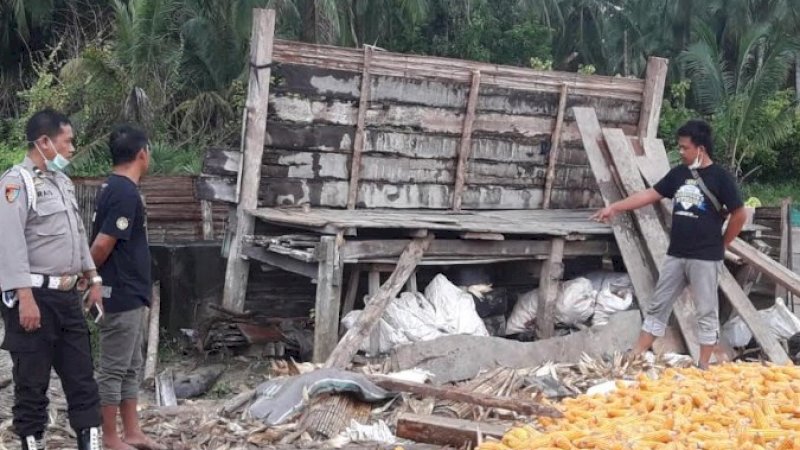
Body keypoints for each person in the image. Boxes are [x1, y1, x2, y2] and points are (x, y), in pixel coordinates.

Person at [591, 119, 747, 369]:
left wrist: (723, 244)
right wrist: (615, 207)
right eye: (680, 147)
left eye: (685, 147)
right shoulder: (678, 174)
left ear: (701, 149)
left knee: (706, 310)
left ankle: (703, 365)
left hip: (706, 257)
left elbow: (739, 214)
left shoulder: (721, 178)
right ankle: (635, 354)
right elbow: (649, 195)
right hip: (677, 254)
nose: (681, 152)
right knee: (658, 305)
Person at [0, 109, 102, 450]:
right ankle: (32, 442)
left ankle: (90, 442)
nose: (72, 148)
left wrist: (93, 276)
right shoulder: (16, 183)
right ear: (44, 142)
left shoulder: (61, 182)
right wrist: (24, 297)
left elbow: (77, 233)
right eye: (67, 141)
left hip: (68, 296)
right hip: (34, 298)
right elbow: (9, 243)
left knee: (82, 378)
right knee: (32, 381)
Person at [89, 125, 165, 450]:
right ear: (142, 154)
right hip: (118, 293)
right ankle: (109, 437)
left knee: (131, 366)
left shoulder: (116, 187)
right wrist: (88, 278)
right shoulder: (123, 192)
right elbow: (102, 245)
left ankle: (132, 432)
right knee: (114, 369)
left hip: (131, 293)